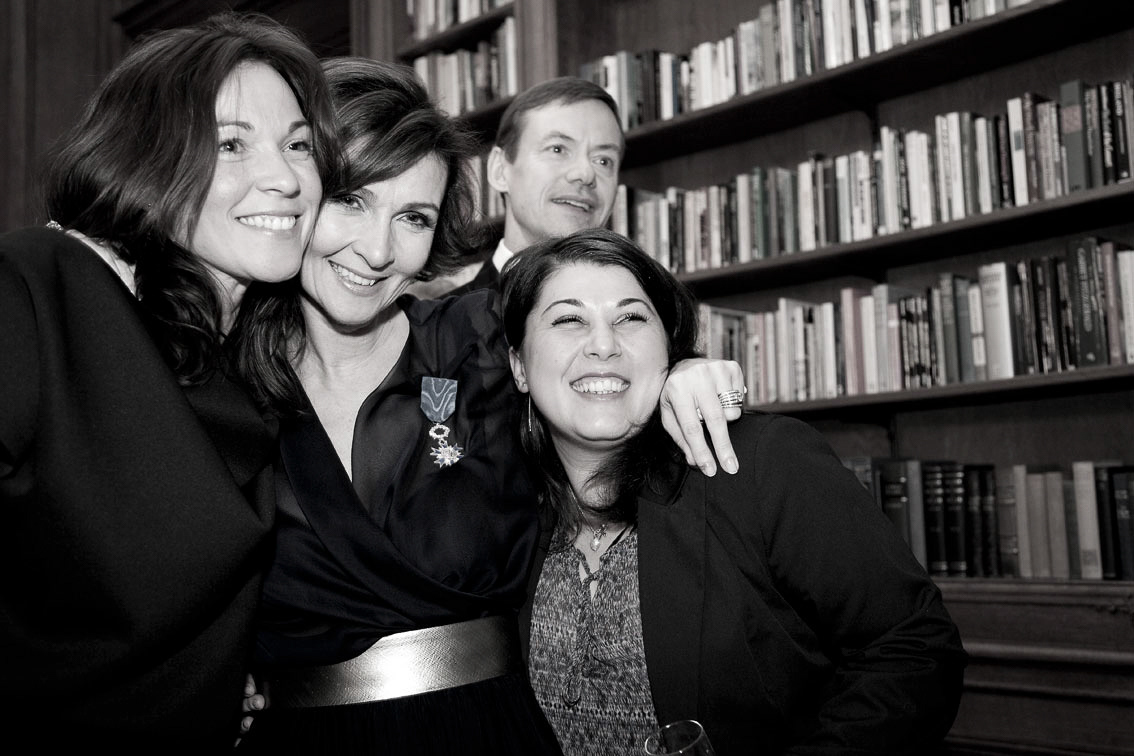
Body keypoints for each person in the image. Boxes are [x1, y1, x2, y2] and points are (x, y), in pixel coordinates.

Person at [229, 58, 746, 755]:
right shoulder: (225, 384)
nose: (378, 250)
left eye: (413, 217)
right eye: (351, 200)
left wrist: (681, 373)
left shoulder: (480, 340)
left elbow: (599, 369)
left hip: (485, 732)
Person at [0, 12, 340, 748]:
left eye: (298, 146)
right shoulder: (40, 287)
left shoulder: (251, 367)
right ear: (147, 156)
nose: (285, 179)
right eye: (231, 144)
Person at [501, 228, 969, 756]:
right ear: (519, 366)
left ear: (669, 348)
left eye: (631, 318)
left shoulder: (760, 459)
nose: (604, 344)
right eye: (568, 320)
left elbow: (915, 650)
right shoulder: (506, 509)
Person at [409, 75, 622, 298]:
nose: (585, 174)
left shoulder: (642, 311)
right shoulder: (444, 318)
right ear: (499, 170)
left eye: (603, 161)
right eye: (557, 149)